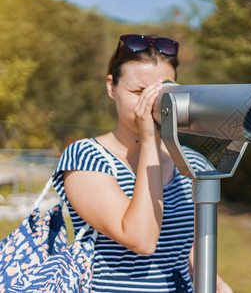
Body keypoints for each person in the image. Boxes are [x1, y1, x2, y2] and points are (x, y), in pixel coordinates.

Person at [52, 34, 233, 293]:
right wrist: (150, 141)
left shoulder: (191, 162)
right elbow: (141, 239)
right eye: (138, 91)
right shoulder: (86, 157)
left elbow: (190, 250)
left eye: (162, 93)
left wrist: (219, 285)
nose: (151, 103)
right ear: (111, 87)